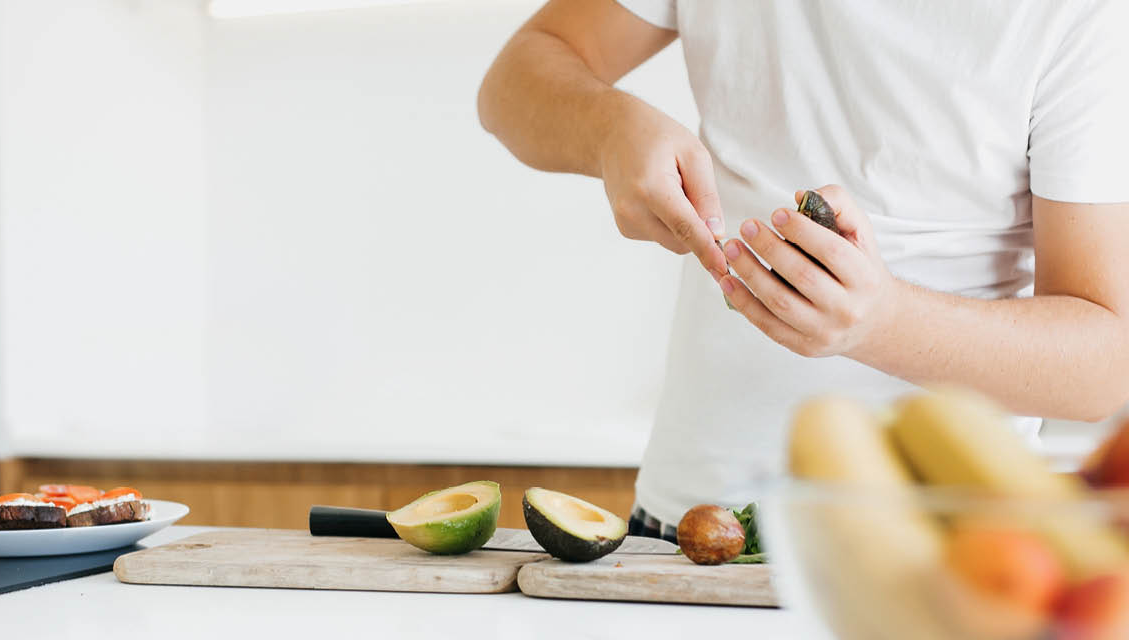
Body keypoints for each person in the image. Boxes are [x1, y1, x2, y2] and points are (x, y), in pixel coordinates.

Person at [477, 0, 1129, 541]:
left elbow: (1104, 362)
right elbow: (514, 81)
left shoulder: (1082, 15)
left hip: (945, 561)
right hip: (692, 526)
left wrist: (882, 323)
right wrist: (607, 128)